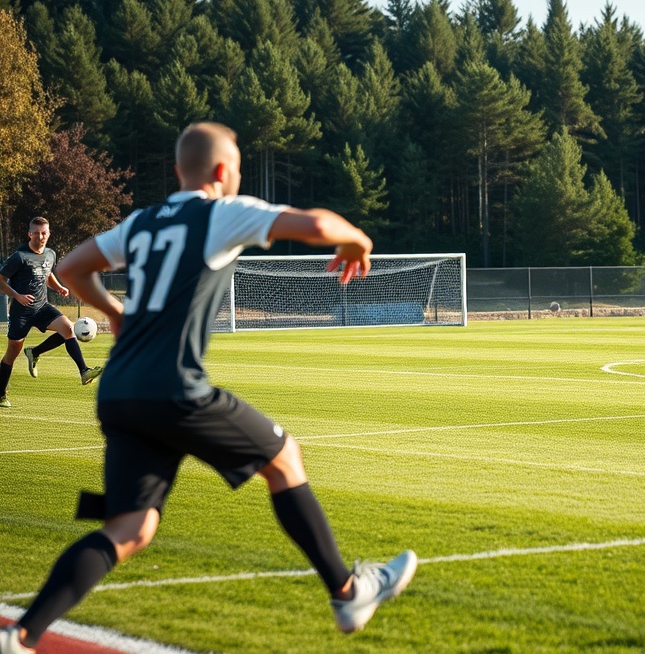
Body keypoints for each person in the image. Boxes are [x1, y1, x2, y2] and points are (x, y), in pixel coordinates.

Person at [0, 122, 416, 654]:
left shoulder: (144, 221)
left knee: (130, 527)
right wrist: (358, 239)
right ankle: (350, 591)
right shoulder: (222, 211)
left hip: (119, 390)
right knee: (285, 458)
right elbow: (314, 223)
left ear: (178, 170)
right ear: (223, 173)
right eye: (238, 168)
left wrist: (113, 312)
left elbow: (78, 265)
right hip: (171, 387)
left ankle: (22, 635)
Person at [0, 217, 104, 408]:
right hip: (21, 312)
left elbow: (47, 273)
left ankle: (84, 371)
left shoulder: (50, 254)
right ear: (30, 234)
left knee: (67, 328)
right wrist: (17, 295)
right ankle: (1, 394)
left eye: (44, 233)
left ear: (49, 234)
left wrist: (58, 288)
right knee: (12, 352)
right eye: (37, 233)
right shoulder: (19, 257)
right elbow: (1, 279)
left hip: (42, 307)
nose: (40, 237)